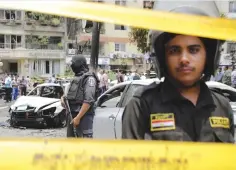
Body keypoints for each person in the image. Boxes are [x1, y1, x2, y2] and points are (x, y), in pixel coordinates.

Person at [122, 5, 235, 143]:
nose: (184, 59)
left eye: (193, 50)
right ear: (163, 58)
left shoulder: (222, 106)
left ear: (208, 56)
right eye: (174, 50)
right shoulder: (141, 106)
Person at [61, 55, 99, 138]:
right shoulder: (76, 78)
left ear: (80, 64)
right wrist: (63, 99)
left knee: (85, 145)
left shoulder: (89, 79)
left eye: (73, 63)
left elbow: (88, 101)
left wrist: (78, 118)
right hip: (72, 115)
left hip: (84, 116)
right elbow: (70, 95)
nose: (72, 65)